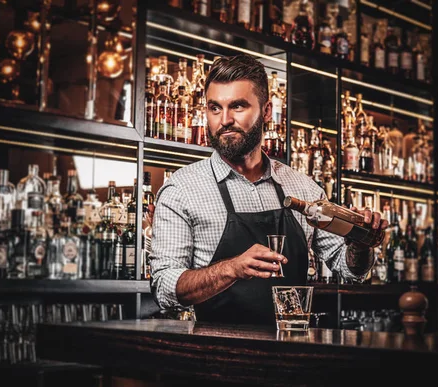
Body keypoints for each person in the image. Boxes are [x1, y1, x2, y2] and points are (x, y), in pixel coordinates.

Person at [149, 54, 388, 325]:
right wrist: (232, 269)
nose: (224, 119)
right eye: (215, 108)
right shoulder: (182, 189)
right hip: (215, 355)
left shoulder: (304, 188)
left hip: (292, 352)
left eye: (237, 106)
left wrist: (361, 243)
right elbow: (163, 287)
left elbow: (349, 269)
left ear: (265, 110)